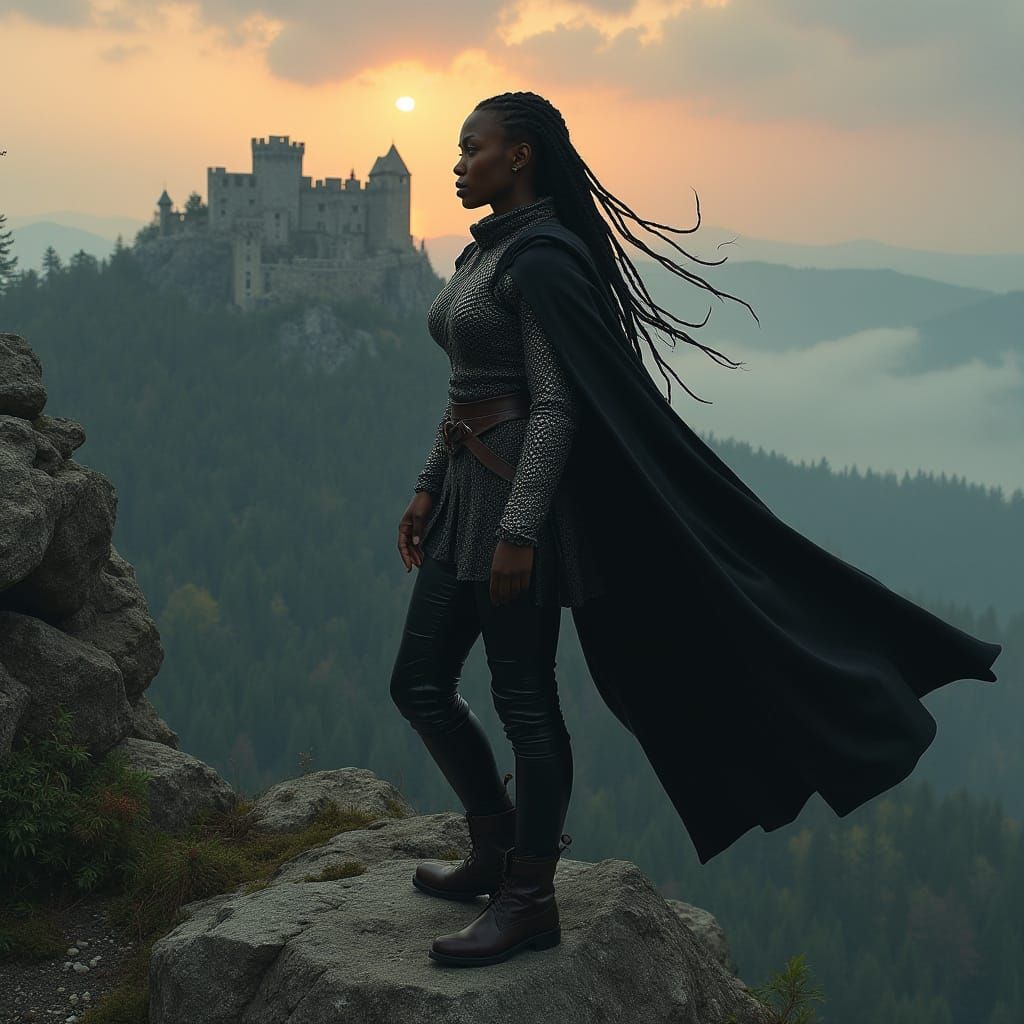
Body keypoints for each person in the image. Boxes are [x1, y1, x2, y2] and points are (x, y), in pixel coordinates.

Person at [390, 91, 1003, 969]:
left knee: (526, 706)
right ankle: (493, 848)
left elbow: (558, 407)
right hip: (463, 497)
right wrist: (425, 489)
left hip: (517, 508)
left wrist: (522, 529)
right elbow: (467, 391)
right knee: (418, 682)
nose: (456, 163)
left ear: (518, 156)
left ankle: (529, 896)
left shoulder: (544, 261)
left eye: (469, 147)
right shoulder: (488, 255)